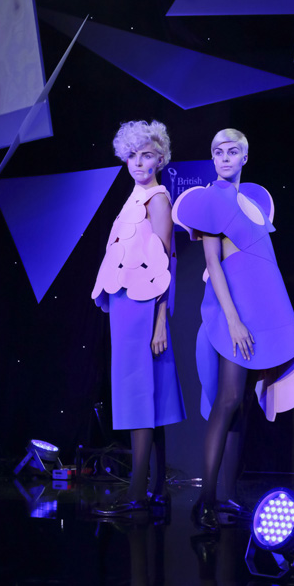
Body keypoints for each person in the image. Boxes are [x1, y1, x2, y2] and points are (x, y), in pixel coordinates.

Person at [172, 128, 294, 531]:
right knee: (228, 399)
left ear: (244, 157)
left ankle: (226, 497)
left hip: (259, 313)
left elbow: (264, 268)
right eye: (218, 152)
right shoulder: (210, 200)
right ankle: (205, 501)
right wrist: (233, 320)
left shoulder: (253, 202)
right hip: (233, 314)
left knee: (240, 404)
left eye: (232, 151)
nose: (224, 157)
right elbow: (213, 264)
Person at [92, 120, 186, 514]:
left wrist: (161, 319)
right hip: (125, 302)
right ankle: (157, 487)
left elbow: (165, 262)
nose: (138, 162)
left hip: (143, 307)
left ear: (160, 159)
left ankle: (136, 492)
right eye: (132, 155)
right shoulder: (134, 197)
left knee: (137, 391)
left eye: (146, 155)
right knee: (152, 390)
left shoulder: (158, 199)